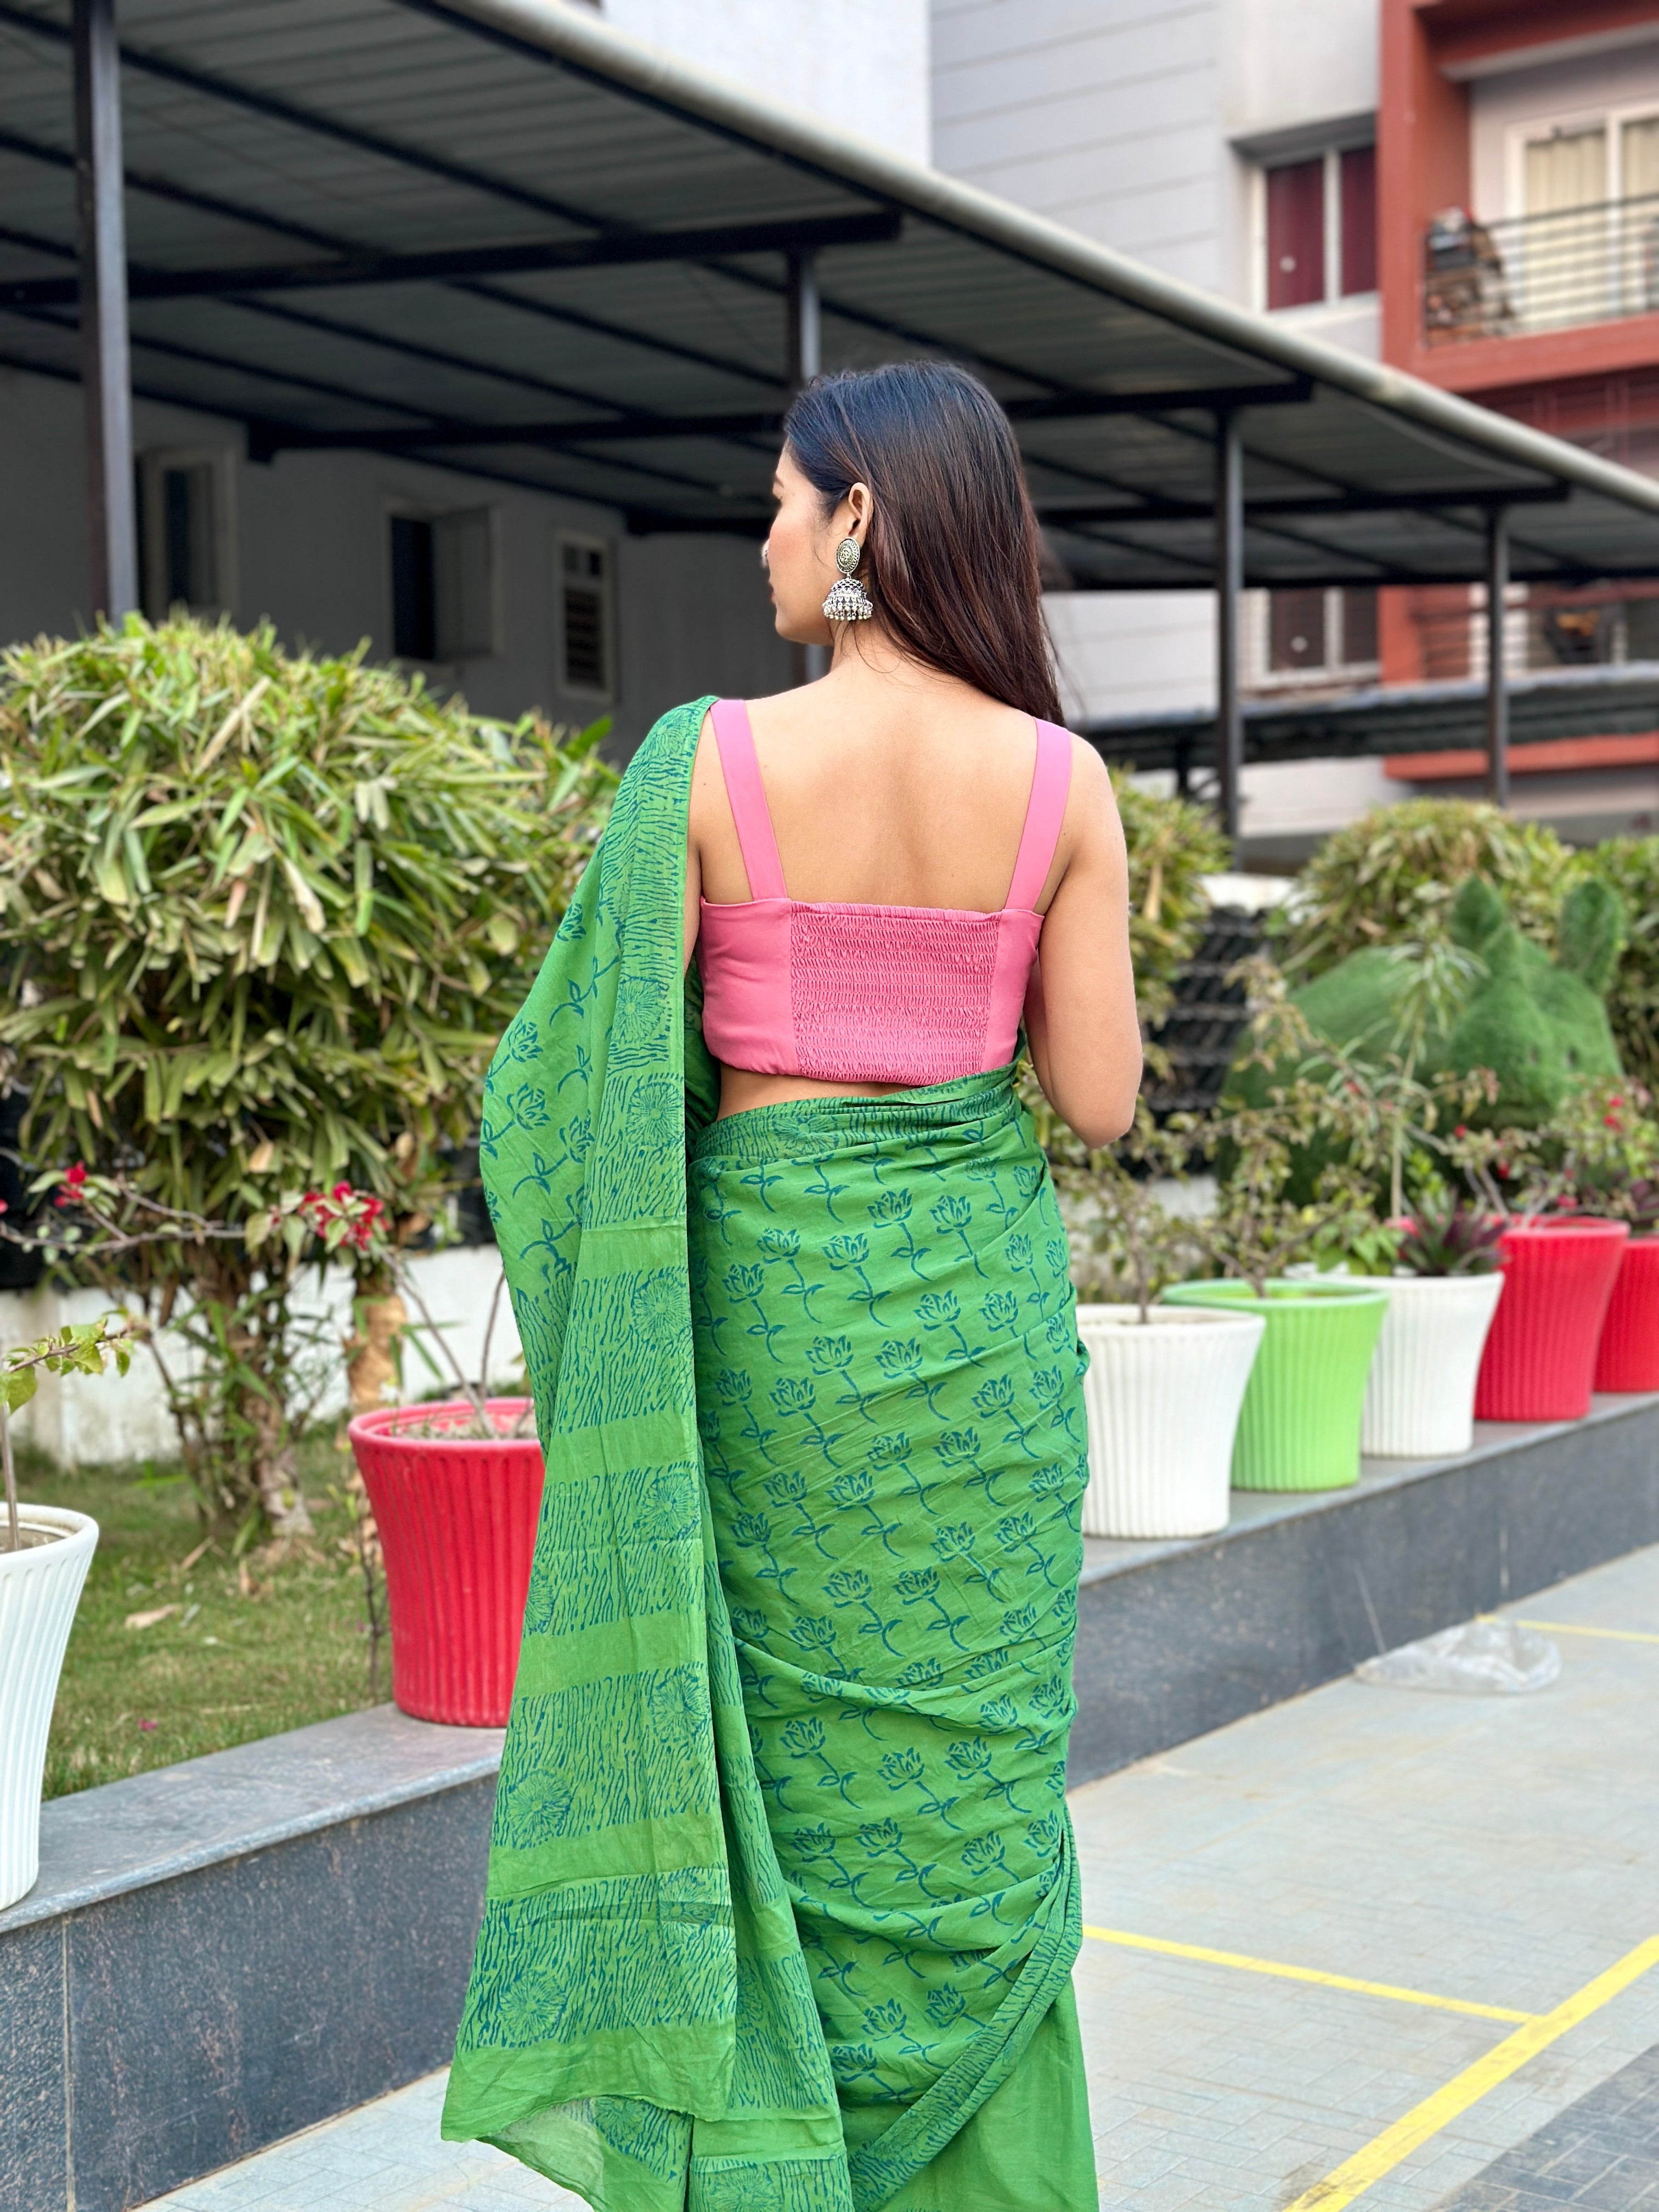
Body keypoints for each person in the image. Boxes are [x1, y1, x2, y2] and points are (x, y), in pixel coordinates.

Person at [442, 360, 1140, 2212]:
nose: (758, 535)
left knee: (782, 1761)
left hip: (773, 1352)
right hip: (977, 1357)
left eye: (778, 500)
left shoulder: (703, 763)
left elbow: (558, 1092)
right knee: (971, 1787)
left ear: (862, 526)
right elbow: (1100, 1097)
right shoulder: (1063, 784)